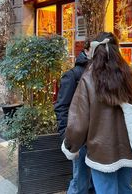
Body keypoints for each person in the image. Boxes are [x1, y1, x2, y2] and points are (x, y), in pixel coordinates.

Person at [62, 32, 132, 194]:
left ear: (94, 52)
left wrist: (70, 146)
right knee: (125, 189)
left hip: (101, 151)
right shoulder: (129, 74)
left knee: (106, 190)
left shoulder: (88, 79)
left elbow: (78, 125)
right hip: (128, 146)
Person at [54, 39, 95, 194]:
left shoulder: (102, 72)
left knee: (93, 183)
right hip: (81, 139)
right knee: (80, 182)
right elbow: (61, 107)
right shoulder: (73, 75)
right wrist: (67, 136)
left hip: (99, 137)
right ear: (86, 50)